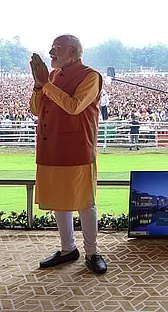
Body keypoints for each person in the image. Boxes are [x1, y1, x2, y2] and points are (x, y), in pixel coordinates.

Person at [29, 34, 107, 274]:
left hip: (77, 148)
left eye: (57, 49)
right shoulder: (51, 76)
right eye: (52, 48)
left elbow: (74, 106)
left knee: (84, 201)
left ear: (72, 52)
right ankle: (67, 249)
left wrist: (47, 84)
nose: (51, 53)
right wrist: (39, 85)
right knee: (59, 201)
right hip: (50, 147)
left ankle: (92, 252)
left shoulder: (90, 77)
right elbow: (35, 108)